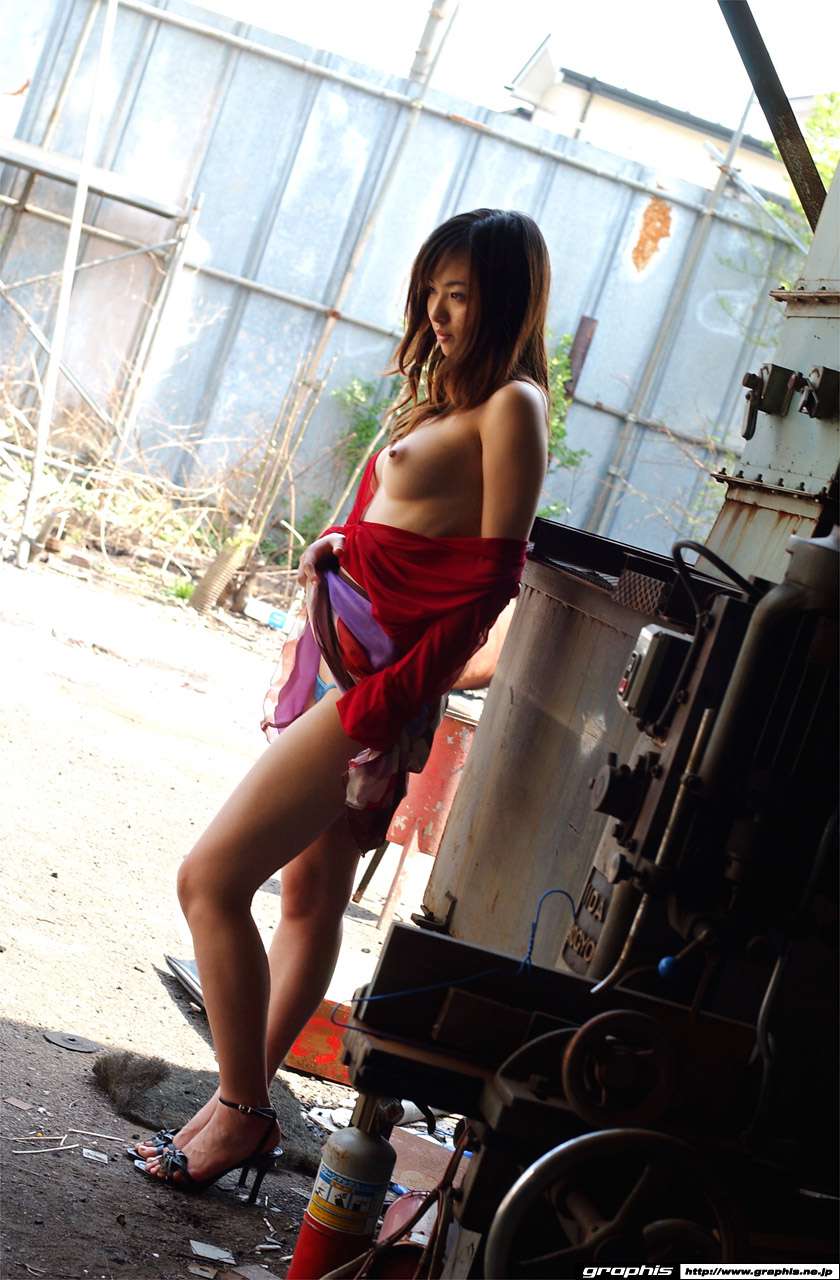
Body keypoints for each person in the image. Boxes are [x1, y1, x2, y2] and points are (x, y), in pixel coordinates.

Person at [136, 207, 550, 1194]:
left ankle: (243, 1110)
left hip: (376, 688)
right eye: (432, 292)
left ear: (506, 299)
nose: (438, 312)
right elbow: (419, 526)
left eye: (461, 294)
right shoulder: (447, 395)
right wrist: (343, 547)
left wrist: (393, 700)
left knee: (210, 880)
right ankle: (228, 1109)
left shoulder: (513, 406)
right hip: (343, 663)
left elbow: (491, 584)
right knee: (312, 899)